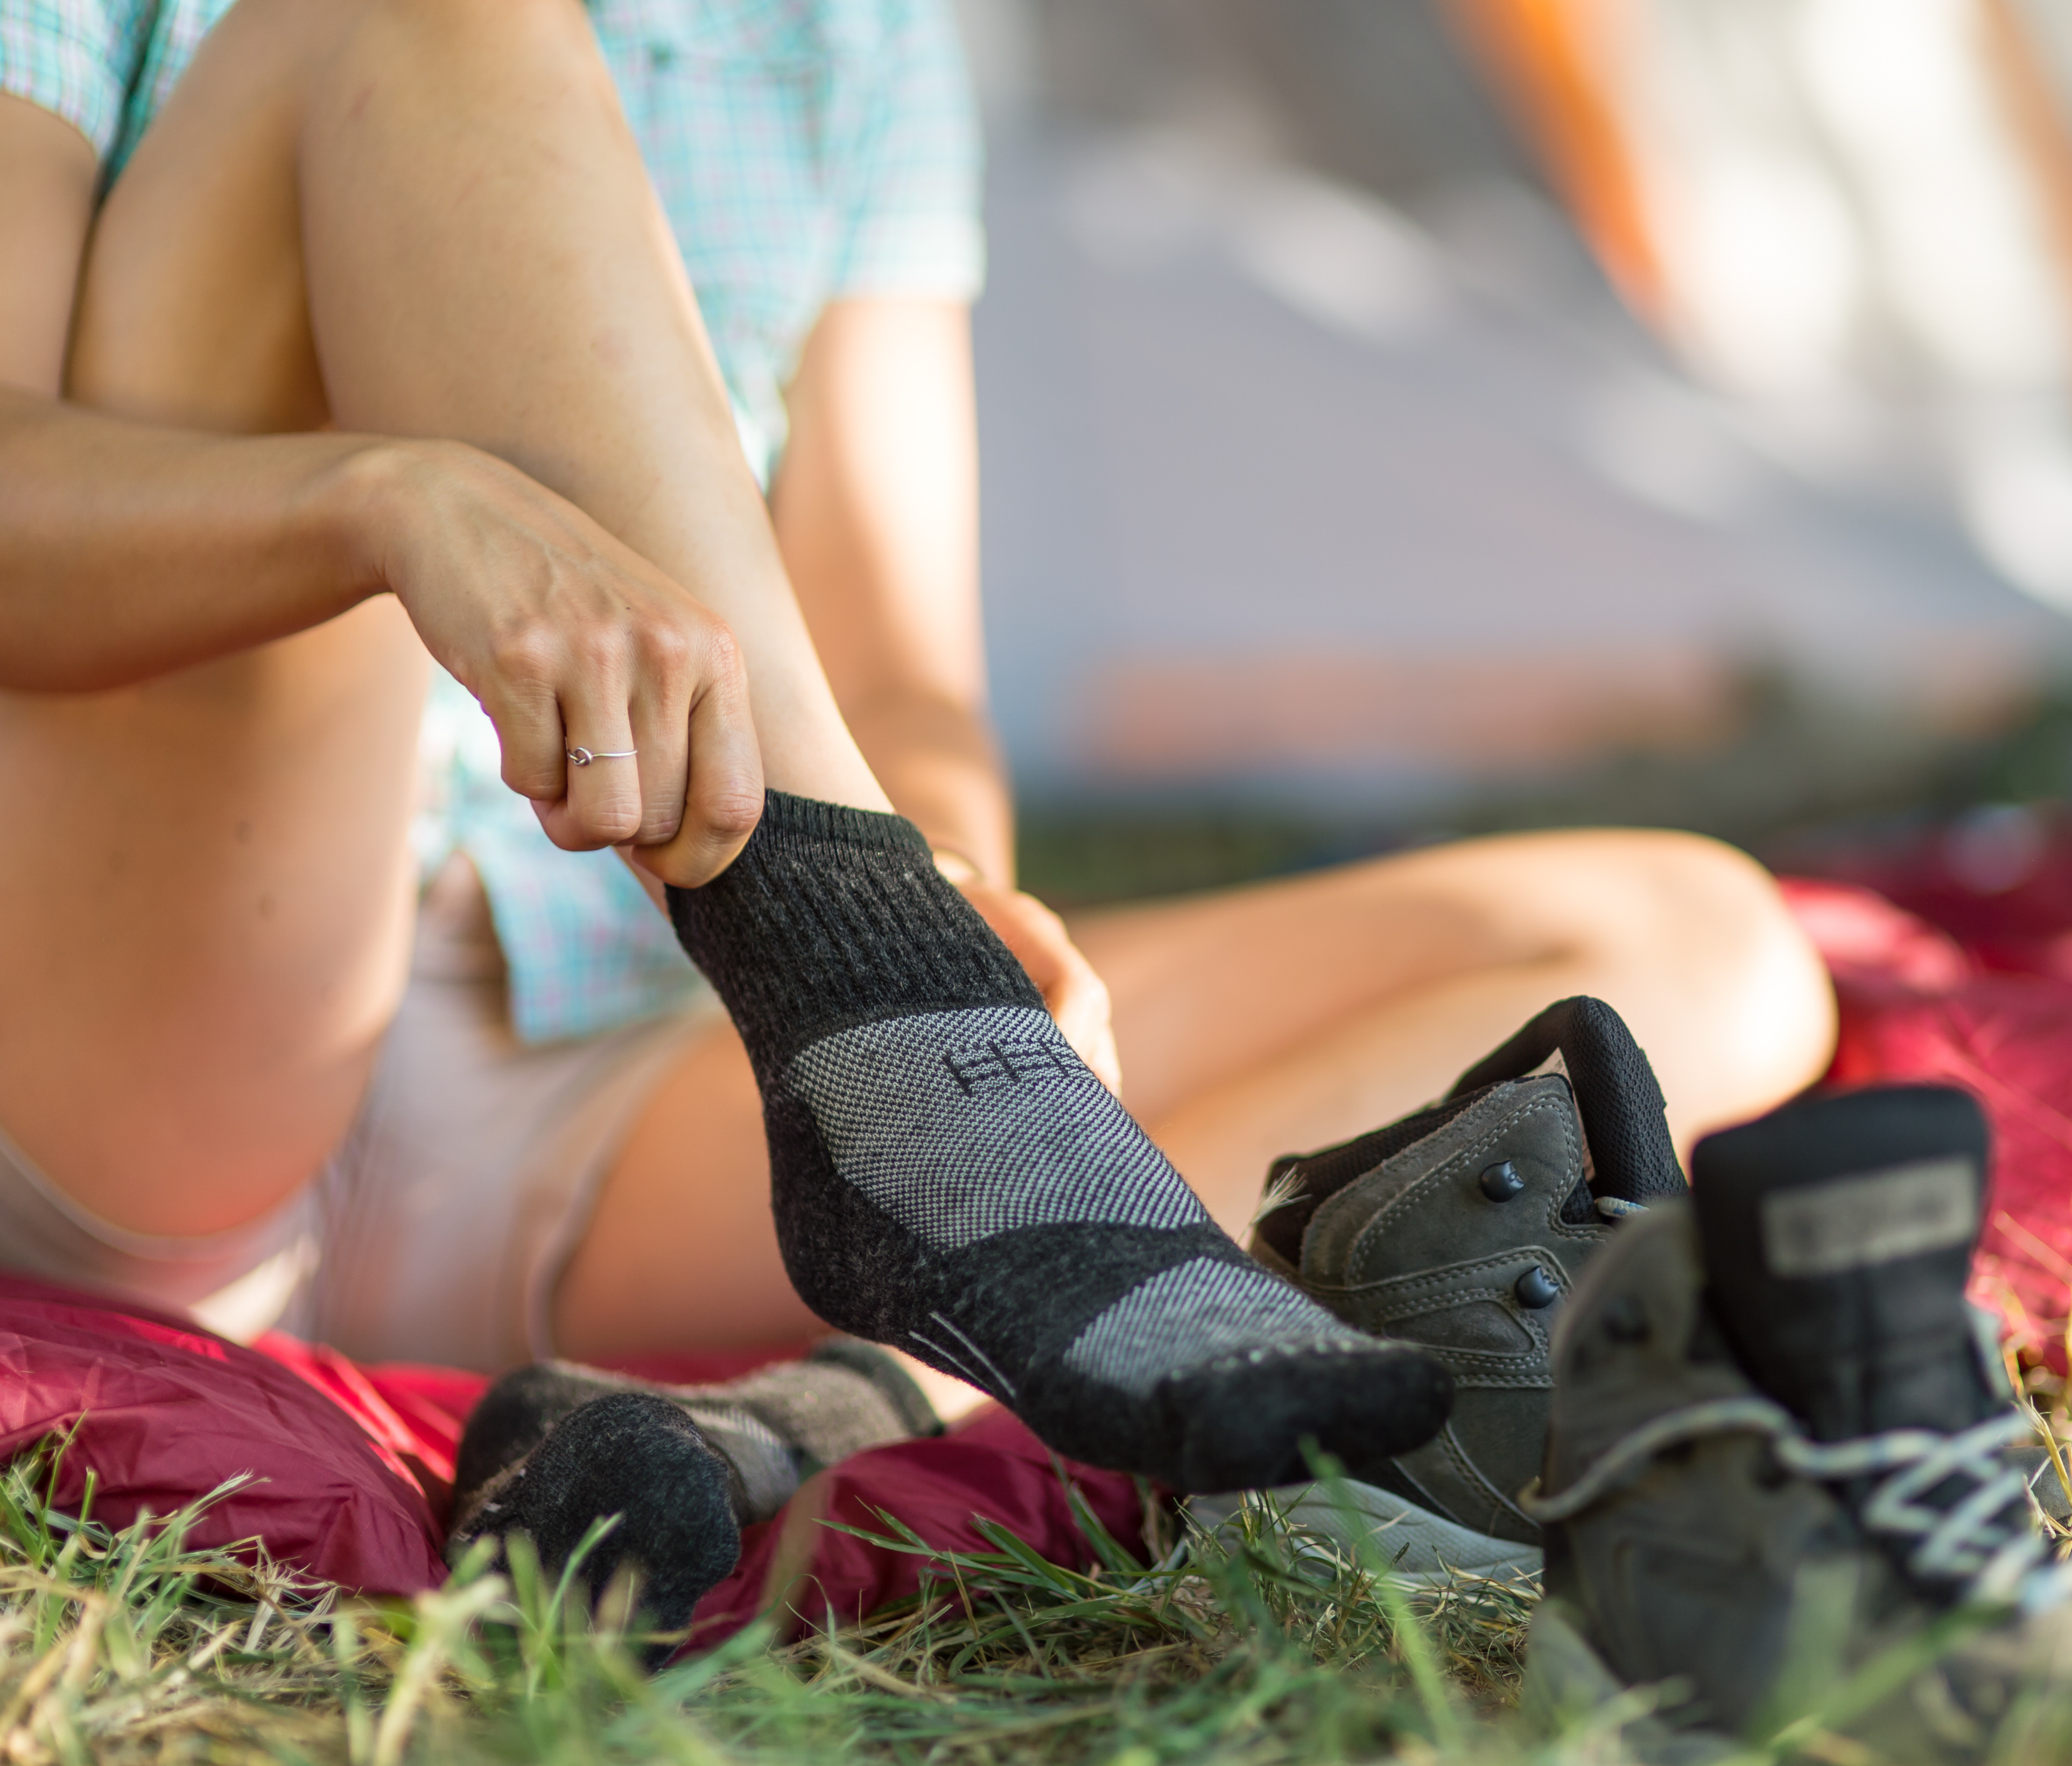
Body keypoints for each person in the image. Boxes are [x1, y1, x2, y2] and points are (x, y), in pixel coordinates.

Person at [0, 0, 1835, 1468]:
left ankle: (839, 1406)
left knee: (1704, 951)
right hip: (168, 1040)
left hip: (629, 1099)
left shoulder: (845, 37)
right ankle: (891, 1030)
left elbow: (895, 676)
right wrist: (384, 500)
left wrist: (956, 879)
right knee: (417, 23)